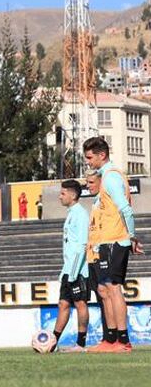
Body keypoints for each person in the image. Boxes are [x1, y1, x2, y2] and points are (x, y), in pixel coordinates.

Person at [83, 136, 143, 353]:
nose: (88, 162)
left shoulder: (110, 177)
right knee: (104, 289)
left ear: (102, 155)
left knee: (114, 288)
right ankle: (110, 339)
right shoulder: (105, 177)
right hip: (105, 242)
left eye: (90, 157)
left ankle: (123, 341)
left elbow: (125, 209)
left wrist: (132, 236)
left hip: (114, 240)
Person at [53, 179, 90, 353]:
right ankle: (52, 342)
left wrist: (74, 272)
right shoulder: (70, 214)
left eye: (63, 193)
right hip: (68, 269)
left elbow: (82, 245)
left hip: (79, 270)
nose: (60, 196)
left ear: (73, 195)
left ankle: (81, 344)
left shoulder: (81, 214)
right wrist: (65, 271)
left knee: (80, 303)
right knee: (63, 304)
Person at [84, 171, 110, 343]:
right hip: (92, 256)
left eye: (91, 182)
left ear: (101, 182)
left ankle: (113, 336)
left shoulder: (105, 201)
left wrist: (101, 249)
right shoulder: (95, 202)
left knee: (106, 294)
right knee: (100, 297)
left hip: (102, 253)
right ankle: (106, 337)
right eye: (87, 182)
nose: (88, 185)